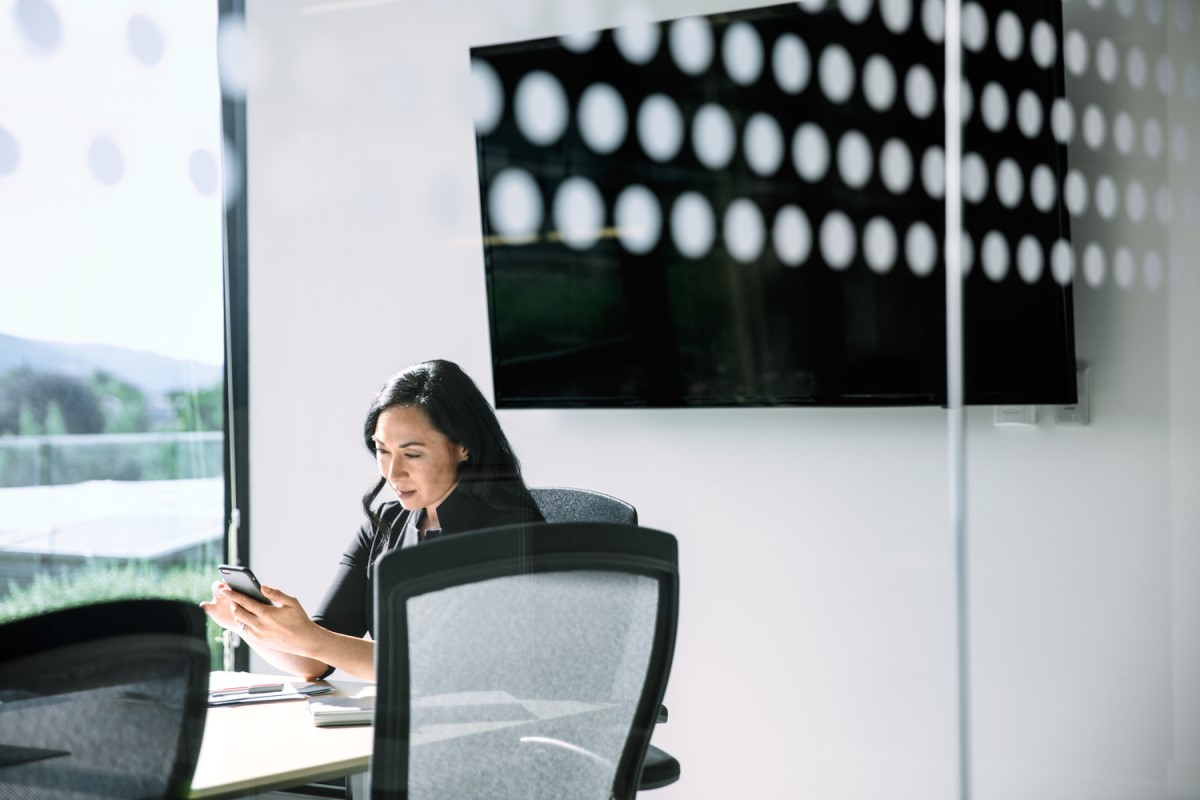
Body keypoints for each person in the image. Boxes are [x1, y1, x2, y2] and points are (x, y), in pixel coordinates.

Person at [201, 359, 544, 681]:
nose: (393, 472)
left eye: (412, 454)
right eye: (382, 450)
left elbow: (445, 669)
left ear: (463, 447)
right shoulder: (385, 524)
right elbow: (316, 661)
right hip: (406, 721)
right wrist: (249, 624)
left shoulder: (511, 529)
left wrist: (312, 638)